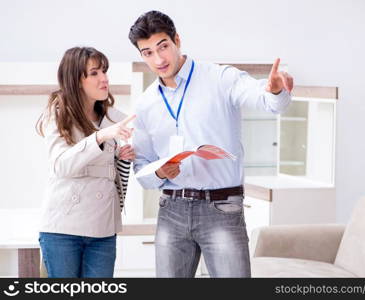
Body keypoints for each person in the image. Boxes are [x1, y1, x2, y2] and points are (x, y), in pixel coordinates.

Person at [128, 11, 293, 278]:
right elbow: (142, 166)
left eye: (163, 47)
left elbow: (267, 101)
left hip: (222, 207)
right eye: (147, 53)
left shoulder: (220, 78)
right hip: (172, 209)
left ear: (177, 40)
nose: (158, 59)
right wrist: (158, 174)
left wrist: (275, 91)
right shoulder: (146, 103)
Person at [36, 47, 136, 278]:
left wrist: (121, 158)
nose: (104, 78)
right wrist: (100, 137)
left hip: (103, 230)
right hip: (62, 230)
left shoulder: (115, 117)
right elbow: (61, 165)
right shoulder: (58, 113)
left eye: (104, 71)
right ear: (76, 79)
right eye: (94, 73)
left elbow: (108, 175)